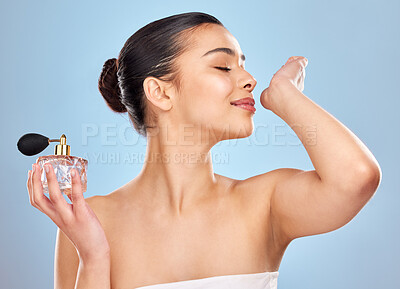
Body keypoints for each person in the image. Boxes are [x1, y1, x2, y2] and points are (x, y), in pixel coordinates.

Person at [26, 12, 382, 289]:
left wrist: (287, 97)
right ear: (161, 93)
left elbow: (356, 179)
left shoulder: (265, 203)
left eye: (243, 64)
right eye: (224, 66)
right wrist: (94, 255)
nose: (249, 79)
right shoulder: (92, 222)